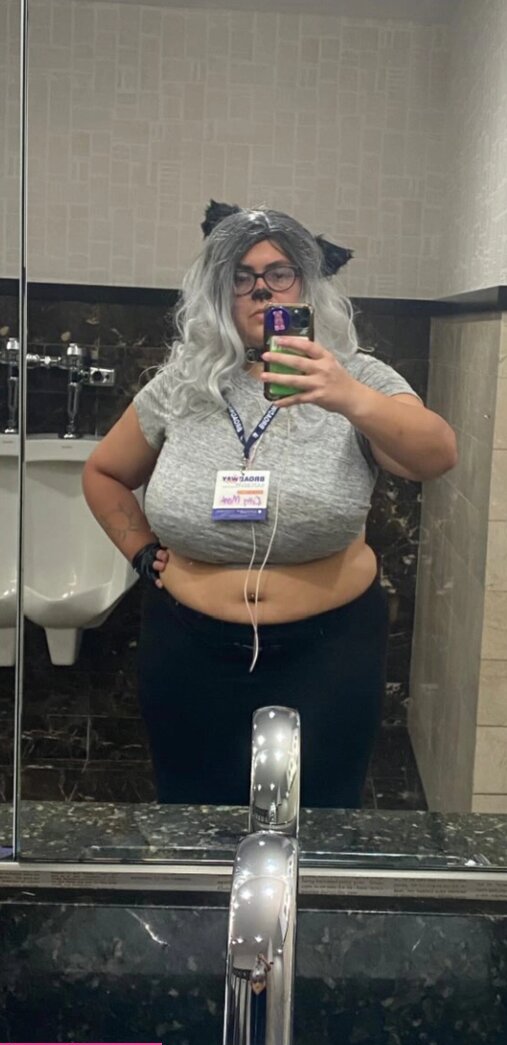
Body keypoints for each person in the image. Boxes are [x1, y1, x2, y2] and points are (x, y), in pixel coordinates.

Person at [82, 202, 457, 808]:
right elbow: (103, 473)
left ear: (307, 285)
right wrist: (140, 551)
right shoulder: (183, 383)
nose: (261, 290)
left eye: (279, 273)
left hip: (328, 652)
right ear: (220, 294)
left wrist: (346, 396)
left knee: (320, 816)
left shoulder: (358, 377)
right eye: (242, 277)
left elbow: (436, 455)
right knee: (192, 813)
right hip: (189, 647)